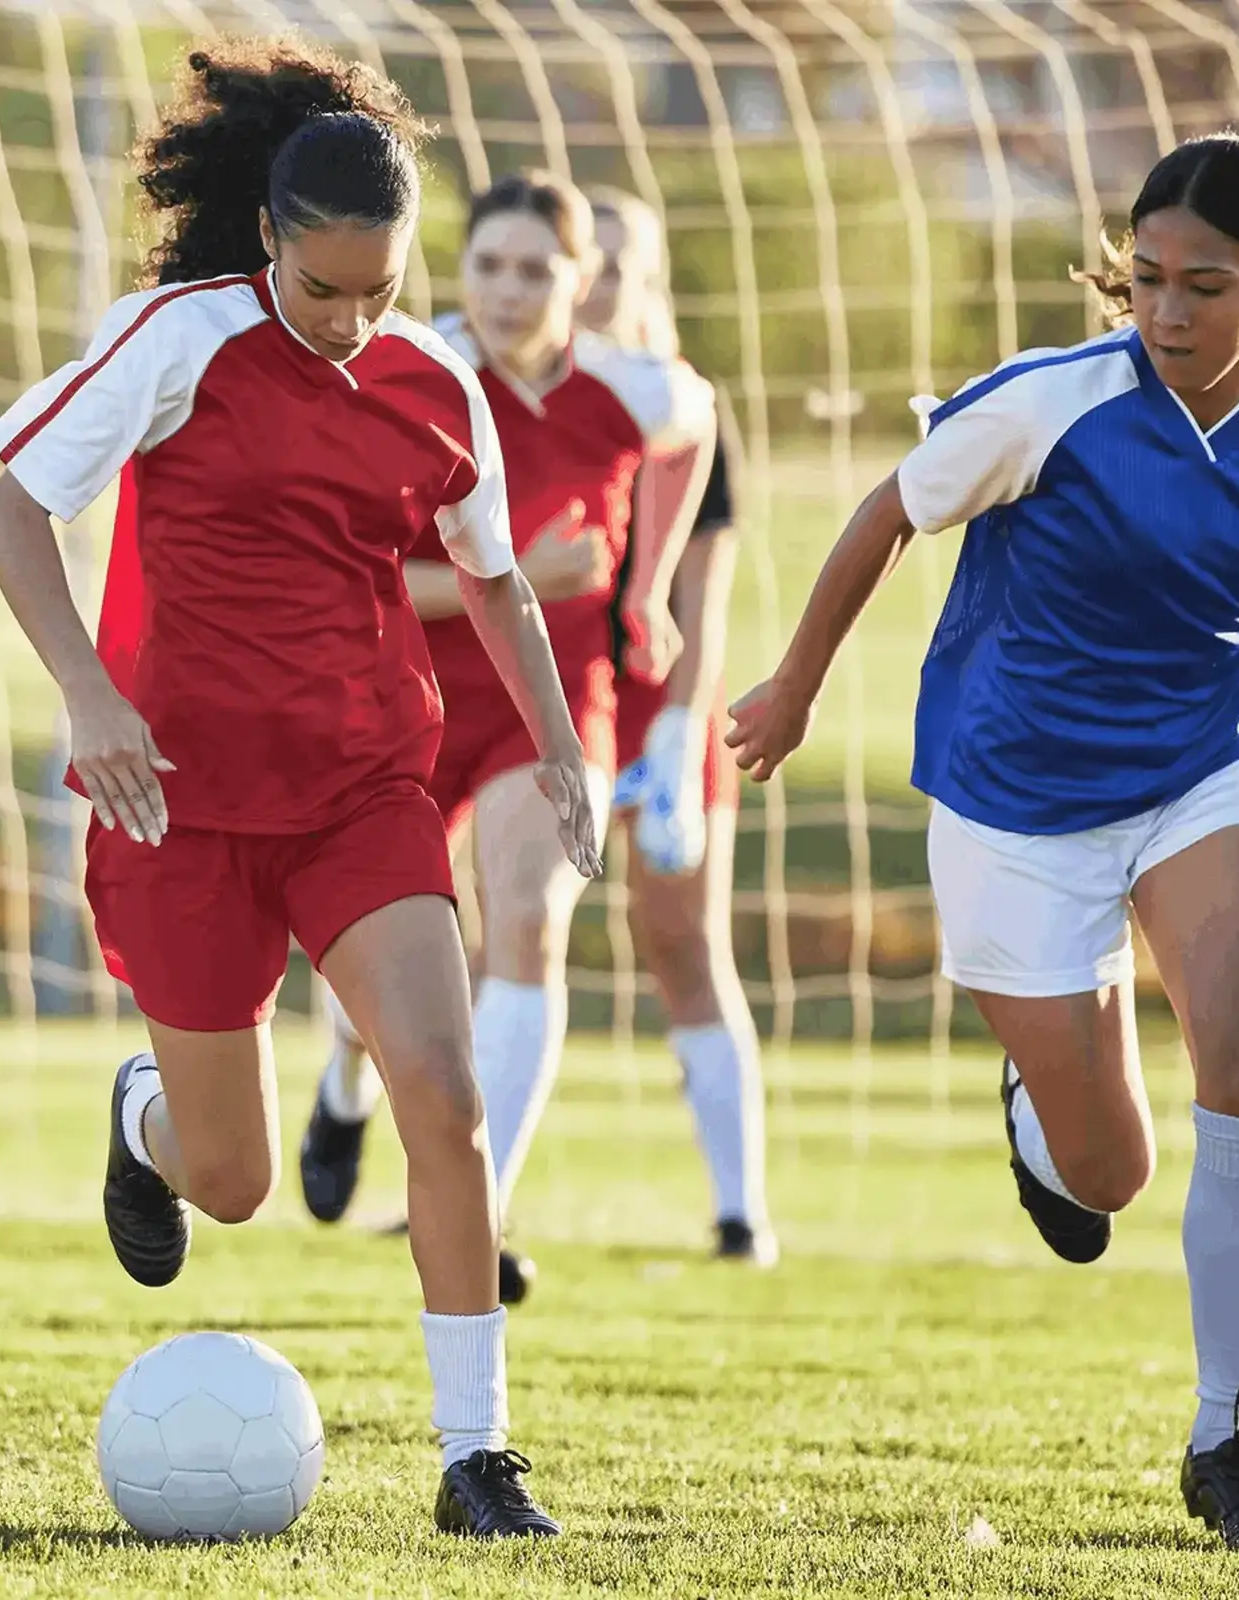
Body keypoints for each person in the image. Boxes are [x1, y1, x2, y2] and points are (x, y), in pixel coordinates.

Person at [727, 133, 1239, 1555]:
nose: (1168, 311)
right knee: (1108, 1175)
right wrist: (793, 686)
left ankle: (1224, 1441)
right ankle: (1043, 1107)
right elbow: (884, 516)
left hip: (1203, 783)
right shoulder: (1052, 405)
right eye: (1148, 279)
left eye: (1206, 286)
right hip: (1011, 803)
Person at [0, 41, 606, 1538]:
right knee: (238, 1181)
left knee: (442, 1098)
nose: (350, 320)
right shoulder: (174, 339)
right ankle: (147, 1125)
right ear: (267, 237)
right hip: (176, 804)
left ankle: (478, 1458)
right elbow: (12, 512)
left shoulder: (436, 384)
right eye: (322, 288)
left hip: (360, 793)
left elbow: (498, 583)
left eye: (379, 290)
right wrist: (88, 688)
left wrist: (564, 747)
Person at [288, 175, 742, 1295]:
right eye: (488, 263)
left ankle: (473, 1210)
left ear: (580, 283)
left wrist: (644, 587)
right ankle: (345, 1084)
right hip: (404, 696)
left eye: (536, 268)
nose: (508, 288)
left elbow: (697, 426)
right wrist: (523, 575)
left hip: (549, 700)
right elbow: (364, 570)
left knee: (532, 921)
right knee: (375, 974)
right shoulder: (411, 370)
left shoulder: (634, 388)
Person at [581, 185, 777, 1265]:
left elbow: (706, 604)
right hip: (546, 704)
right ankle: (466, 1186)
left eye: (622, 262)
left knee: (683, 942)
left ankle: (742, 1211)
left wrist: (673, 737)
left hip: (663, 709)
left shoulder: (689, 410)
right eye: (587, 258)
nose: (601, 280)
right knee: (489, 940)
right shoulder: (516, 397)